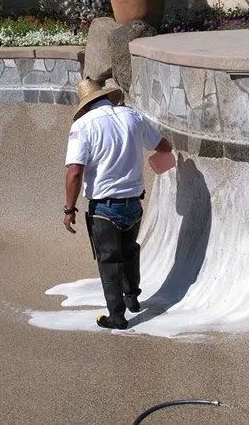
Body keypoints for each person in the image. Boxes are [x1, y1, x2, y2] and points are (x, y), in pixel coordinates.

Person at [63, 78, 173, 330]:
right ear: (105, 97)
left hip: (104, 206)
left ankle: (117, 316)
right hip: (134, 203)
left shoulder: (83, 126)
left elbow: (74, 172)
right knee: (130, 250)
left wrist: (69, 209)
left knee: (109, 260)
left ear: (86, 104)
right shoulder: (132, 116)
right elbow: (163, 146)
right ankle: (132, 298)